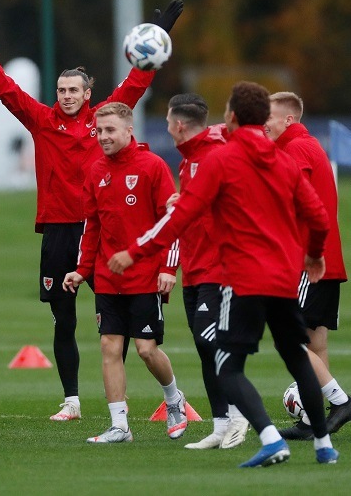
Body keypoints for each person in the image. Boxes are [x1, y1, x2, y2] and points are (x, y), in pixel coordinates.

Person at [0, 1, 183, 420]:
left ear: (88, 92)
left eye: (73, 90)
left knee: (127, 323)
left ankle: (168, 397)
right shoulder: (42, 120)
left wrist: (158, 35)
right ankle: (72, 401)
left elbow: (137, 83)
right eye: (61, 90)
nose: (65, 96)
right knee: (63, 320)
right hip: (60, 231)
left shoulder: (104, 119)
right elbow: (3, 87)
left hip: (101, 232)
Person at [108, 81, 339, 466]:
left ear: (231, 117)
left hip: (243, 279)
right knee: (297, 358)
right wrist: (314, 255)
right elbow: (317, 214)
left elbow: (181, 216)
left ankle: (269, 438)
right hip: (284, 277)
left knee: (226, 365)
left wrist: (134, 252)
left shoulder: (222, 160)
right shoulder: (283, 159)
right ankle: (323, 446)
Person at [62, 102, 187, 443]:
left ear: (129, 130)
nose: (103, 136)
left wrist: (168, 269)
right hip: (107, 279)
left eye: (110, 130)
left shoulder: (152, 167)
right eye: (99, 131)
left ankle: (174, 398)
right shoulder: (95, 171)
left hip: (145, 277)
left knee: (147, 349)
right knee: (109, 347)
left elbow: (173, 221)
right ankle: (120, 425)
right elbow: (92, 227)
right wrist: (81, 270)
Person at [165, 94, 250, 450]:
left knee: (208, 339)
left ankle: (240, 413)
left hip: (219, 266)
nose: (168, 128)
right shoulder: (188, 162)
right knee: (204, 348)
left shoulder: (215, 152)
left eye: (170, 122)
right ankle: (219, 425)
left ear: (179, 125)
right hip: (195, 266)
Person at [264, 91, 351, 439]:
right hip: (325, 262)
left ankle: (340, 401)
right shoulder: (308, 145)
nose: (262, 124)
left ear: (288, 119)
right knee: (315, 343)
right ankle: (313, 420)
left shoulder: (296, 148)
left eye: (267, 117)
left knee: (290, 338)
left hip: (307, 262)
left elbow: (291, 196)